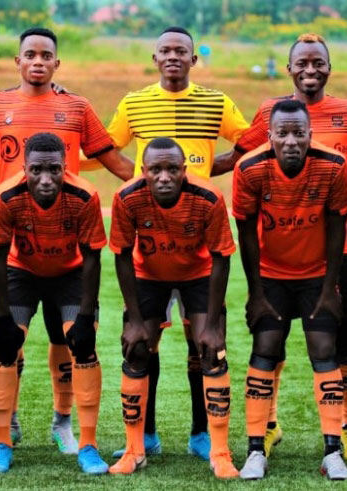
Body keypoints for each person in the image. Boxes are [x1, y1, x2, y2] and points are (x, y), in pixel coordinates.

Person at [0, 27, 132, 455]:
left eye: (46, 55)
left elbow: (110, 158)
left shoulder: (76, 106)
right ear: (18, 61)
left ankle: (64, 423)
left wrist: (149, 188)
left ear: (57, 63)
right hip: (14, 238)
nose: (38, 61)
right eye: (30, 54)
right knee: (10, 337)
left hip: (63, 237)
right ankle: (11, 423)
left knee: (70, 339)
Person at [217, 33, 347, 463]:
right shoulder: (268, 113)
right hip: (280, 254)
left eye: (319, 63)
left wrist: (345, 181)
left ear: (330, 68)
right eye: (302, 63)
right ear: (289, 68)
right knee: (269, 343)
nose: (310, 70)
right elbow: (241, 156)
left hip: (336, 250)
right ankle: (267, 426)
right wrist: (188, 171)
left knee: (341, 342)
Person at [103, 26, 249, 461]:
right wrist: (139, 178)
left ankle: (202, 434)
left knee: (204, 343)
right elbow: (107, 148)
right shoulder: (134, 103)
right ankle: (143, 437)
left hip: (197, 239)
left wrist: (208, 172)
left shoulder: (215, 102)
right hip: (151, 241)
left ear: (193, 59)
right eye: (165, 50)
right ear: (154, 57)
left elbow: (248, 141)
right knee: (142, 342)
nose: (172, 57)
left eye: (180, 51)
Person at [232, 99, 347, 480]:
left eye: (298, 132)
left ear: (310, 134)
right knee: (265, 348)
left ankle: (333, 451)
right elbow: (246, 233)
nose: (290, 140)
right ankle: (255, 450)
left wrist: (331, 286)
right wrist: (256, 293)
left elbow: (337, 227)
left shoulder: (333, 165)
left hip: (316, 276)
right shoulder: (249, 168)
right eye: (282, 133)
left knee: (323, 349)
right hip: (271, 277)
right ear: (269, 136)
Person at [108, 137, 238, 478]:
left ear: (184, 171)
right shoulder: (127, 197)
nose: (164, 176)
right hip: (148, 274)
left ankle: (218, 450)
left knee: (211, 349)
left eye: (171, 169)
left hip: (198, 274)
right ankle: (136, 449)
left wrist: (210, 324)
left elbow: (221, 258)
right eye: (155, 169)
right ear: (144, 171)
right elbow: (121, 255)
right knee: (136, 347)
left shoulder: (208, 197)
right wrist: (134, 319)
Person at [0, 132, 109, 474]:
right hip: (22, 272)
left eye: (54, 169)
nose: (46, 178)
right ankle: (2, 441)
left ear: (66, 167)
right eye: (36, 170)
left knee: (83, 344)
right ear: (24, 168)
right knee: (5, 345)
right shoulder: (6, 195)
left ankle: (87, 443)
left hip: (70, 275)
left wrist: (86, 313)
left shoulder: (84, 195)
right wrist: (3, 314)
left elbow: (93, 258)